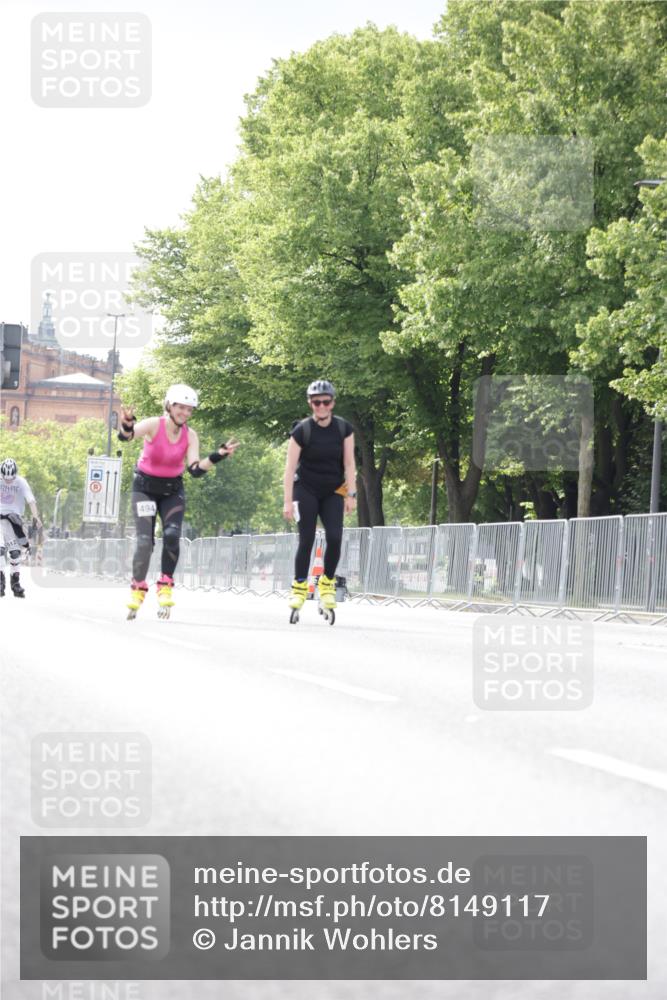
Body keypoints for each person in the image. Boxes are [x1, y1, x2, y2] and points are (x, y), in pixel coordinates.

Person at [118, 384, 239, 617]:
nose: (185, 413)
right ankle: (138, 587)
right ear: (169, 406)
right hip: (144, 488)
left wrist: (218, 456)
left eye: (189, 409)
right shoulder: (154, 424)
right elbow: (126, 437)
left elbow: (195, 470)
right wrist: (127, 423)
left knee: (172, 535)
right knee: (144, 542)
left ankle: (165, 585)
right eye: (181, 407)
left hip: (171, 490)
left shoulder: (190, 435)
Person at [283, 380, 357, 612]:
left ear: (332, 403)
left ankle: (326, 583)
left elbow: (349, 463)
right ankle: (299, 587)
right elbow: (289, 468)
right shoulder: (301, 431)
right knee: (306, 539)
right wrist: (287, 501)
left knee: (335, 537)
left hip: (333, 490)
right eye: (317, 402)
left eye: (326, 402)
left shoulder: (344, 429)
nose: (321, 406)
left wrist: (352, 494)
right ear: (310, 403)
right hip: (305, 489)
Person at [0, 458, 42, 597]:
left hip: (13, 521)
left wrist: (36, 517)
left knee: (15, 553)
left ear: (15, 475)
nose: (8, 481)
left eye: (11, 479)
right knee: (0, 550)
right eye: (5, 479)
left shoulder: (21, 482)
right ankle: (0, 582)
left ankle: (15, 583)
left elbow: (31, 501)